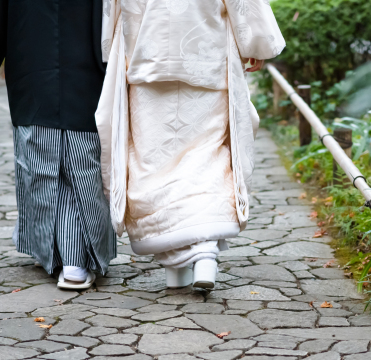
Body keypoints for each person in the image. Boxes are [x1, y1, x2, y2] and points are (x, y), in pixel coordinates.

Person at [97, 0, 285, 289]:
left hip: (147, 59)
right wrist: (255, 44)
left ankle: (177, 268)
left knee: (153, 167)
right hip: (204, 57)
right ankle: (203, 255)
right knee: (206, 160)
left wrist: (108, 45)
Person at [0, 0, 116, 290]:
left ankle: (66, 255)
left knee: (41, 154)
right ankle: (73, 258)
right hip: (90, 55)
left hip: (31, 52)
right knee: (84, 155)